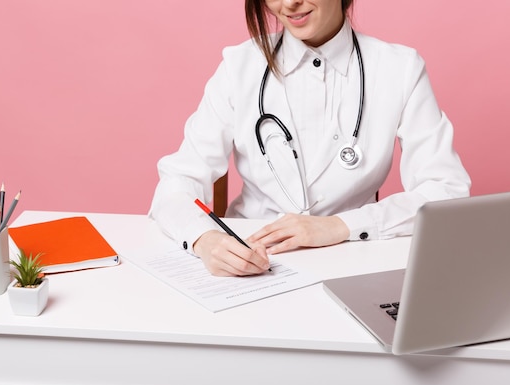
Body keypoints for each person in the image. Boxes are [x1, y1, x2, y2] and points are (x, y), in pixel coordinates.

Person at [150, 0, 470, 277]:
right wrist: (204, 239)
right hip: (250, 259)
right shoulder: (239, 66)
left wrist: (340, 226)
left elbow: (446, 190)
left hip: (353, 259)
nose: (289, 4)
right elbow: (177, 182)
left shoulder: (399, 69)